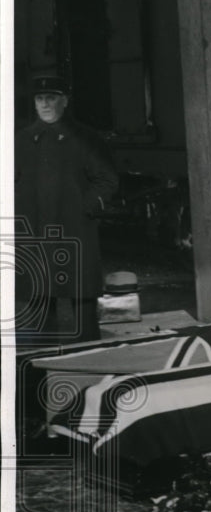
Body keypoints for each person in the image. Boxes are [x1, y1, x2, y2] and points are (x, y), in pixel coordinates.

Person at [14, 75, 119, 344]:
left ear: (64, 101)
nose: (45, 104)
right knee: (39, 298)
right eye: (39, 99)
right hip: (35, 231)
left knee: (82, 298)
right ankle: (41, 358)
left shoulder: (85, 138)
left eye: (51, 98)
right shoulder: (21, 140)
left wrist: (85, 208)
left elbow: (106, 179)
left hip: (75, 230)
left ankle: (88, 354)